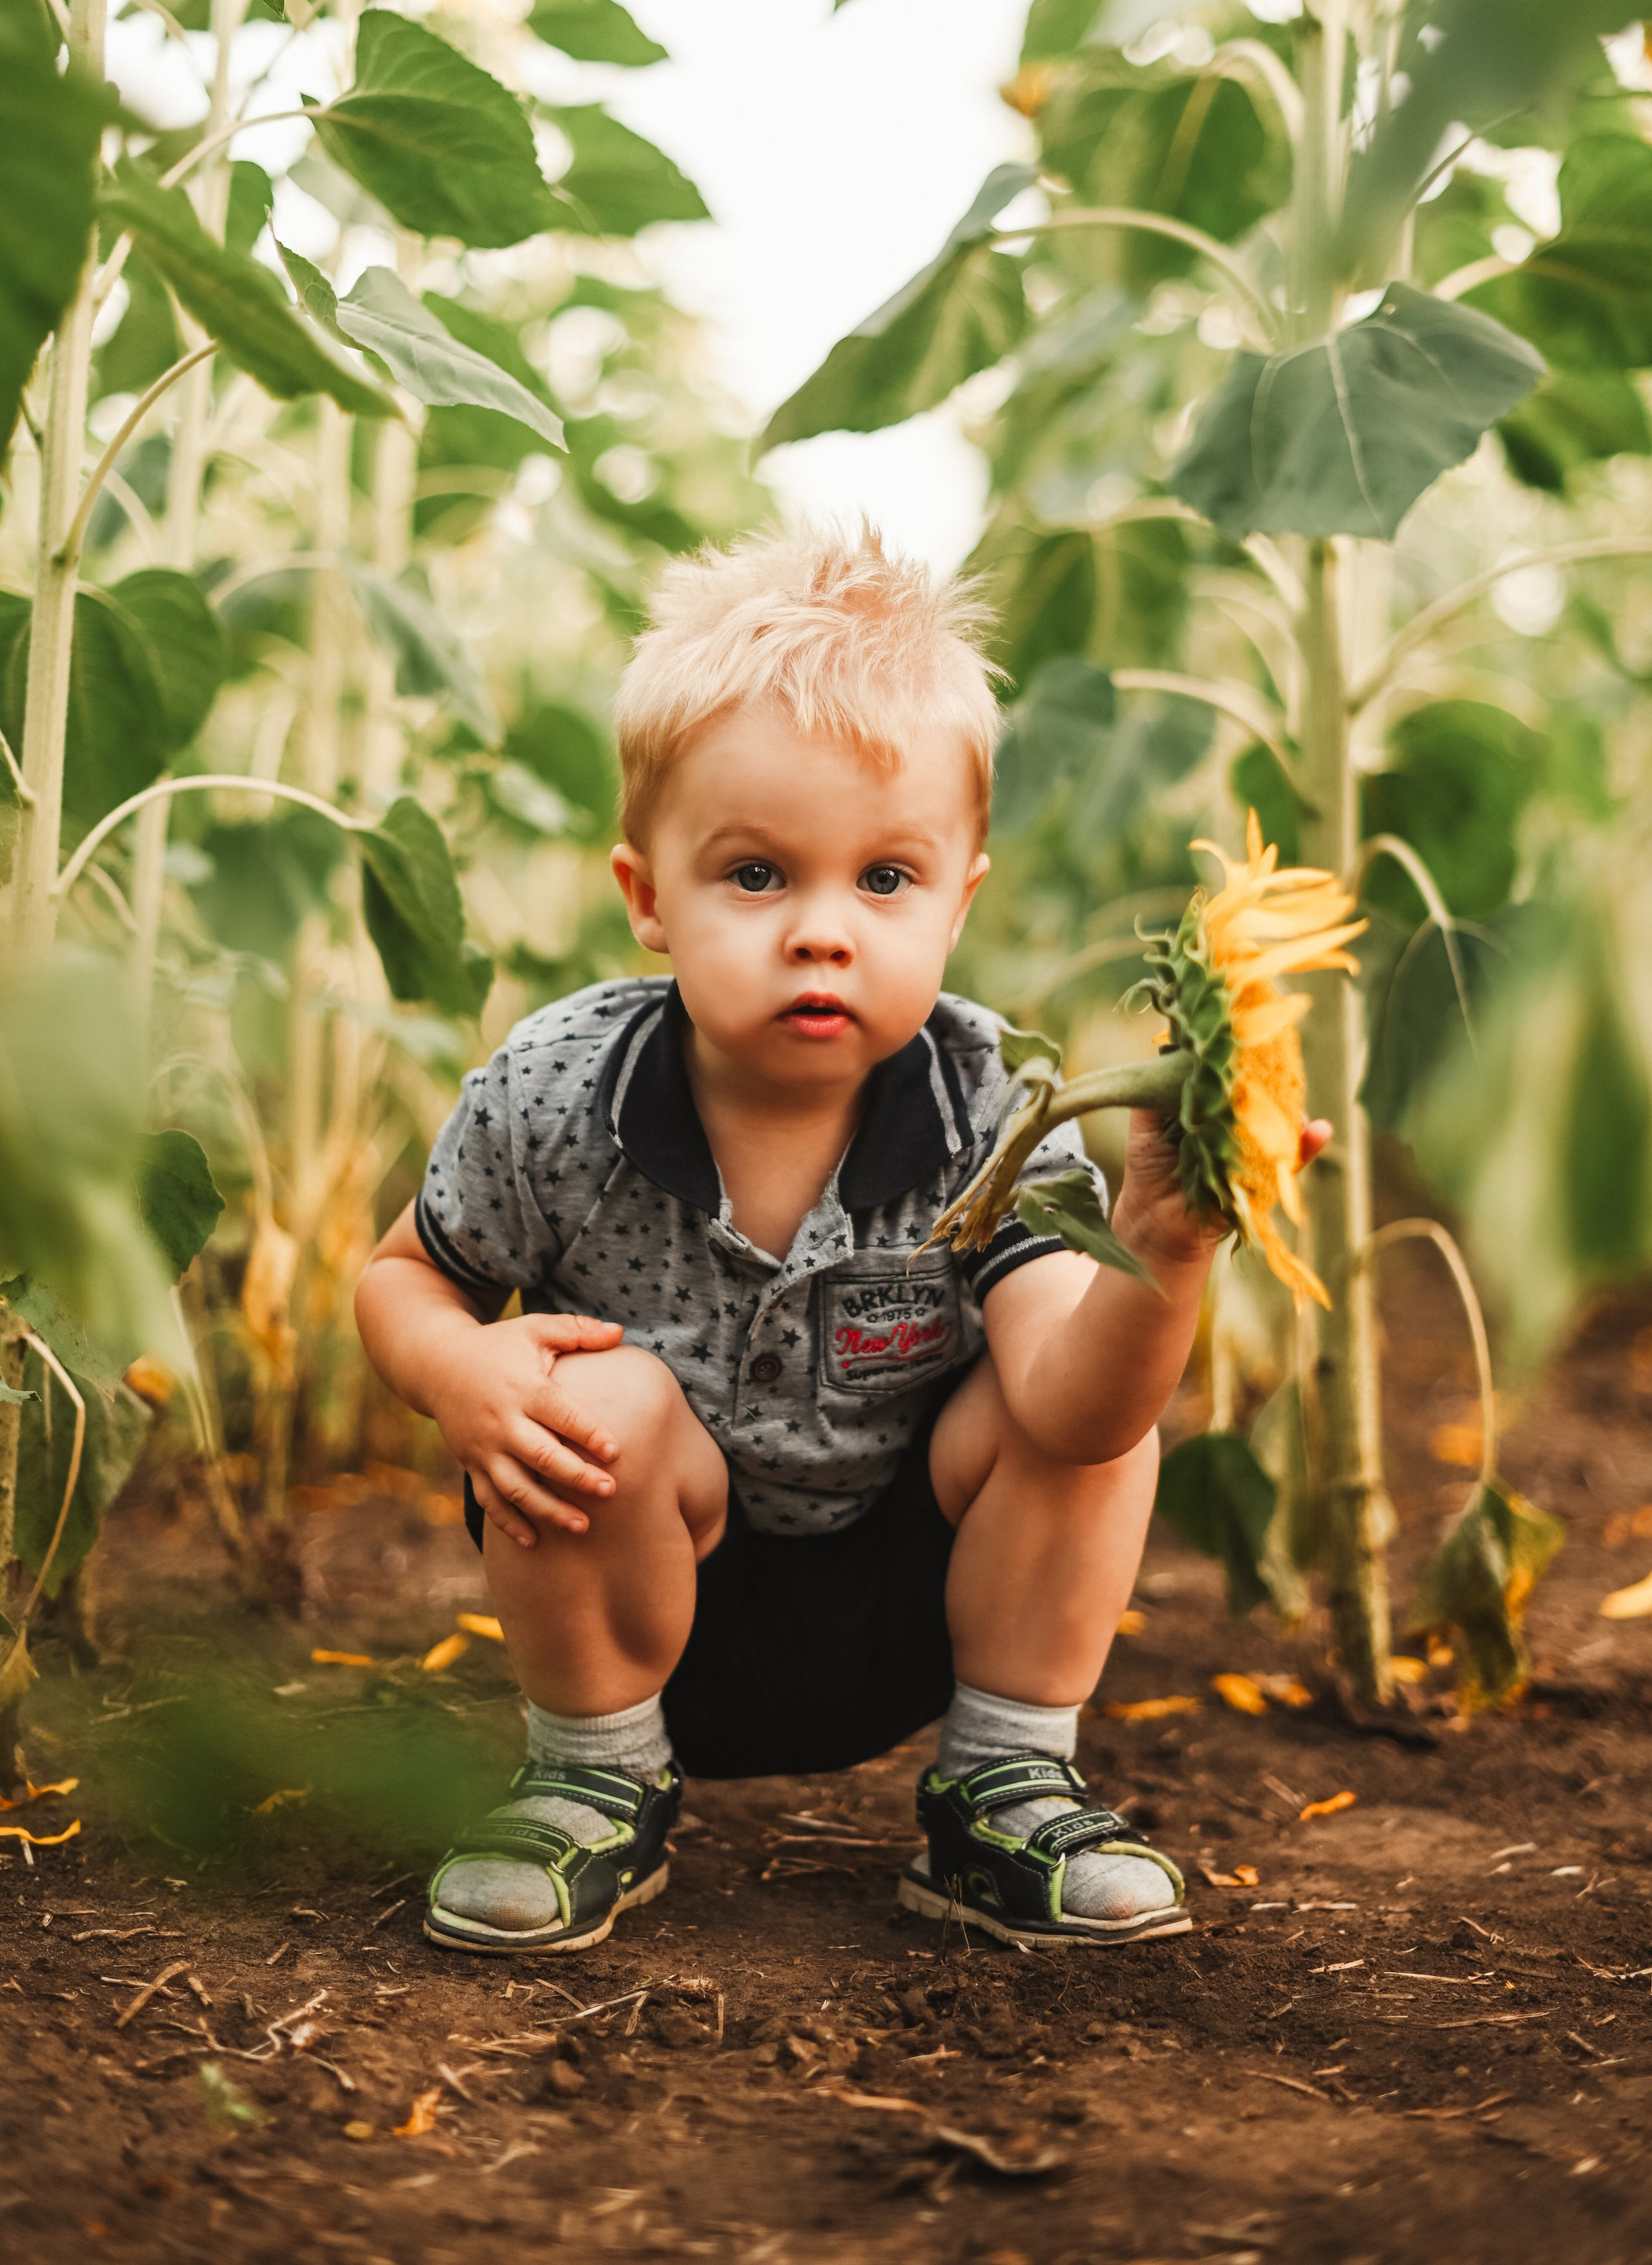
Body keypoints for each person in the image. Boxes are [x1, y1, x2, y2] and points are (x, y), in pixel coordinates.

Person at [355, 523, 1323, 1957]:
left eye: (884, 880)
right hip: (643, 1598)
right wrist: (457, 1373)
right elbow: (404, 1274)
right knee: (589, 1388)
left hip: (913, 1605)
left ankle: (1005, 1781)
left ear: (958, 899)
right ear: (645, 895)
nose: (822, 931)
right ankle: (590, 1782)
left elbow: (1070, 1403)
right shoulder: (558, 1086)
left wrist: (1164, 1246)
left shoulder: (995, 1098)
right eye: (755, 876)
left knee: (1096, 1431)